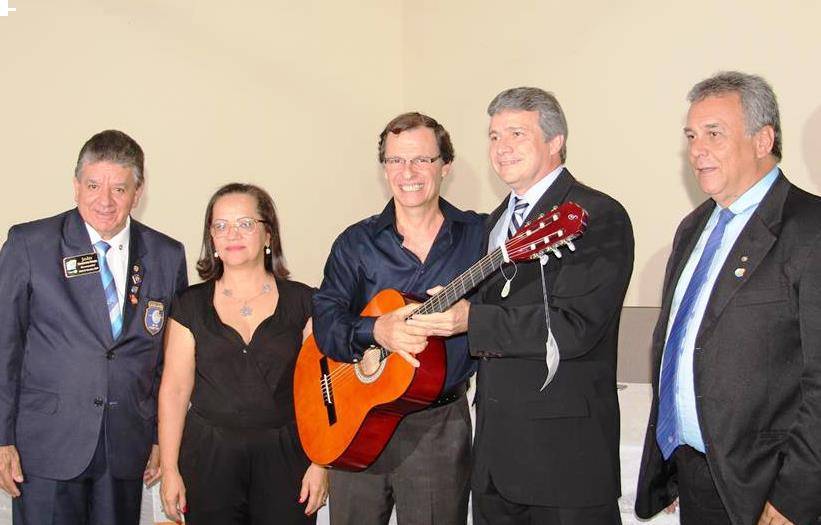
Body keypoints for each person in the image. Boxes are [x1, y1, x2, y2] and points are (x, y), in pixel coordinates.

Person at [410, 87, 634, 524]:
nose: (501, 147)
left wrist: (471, 319)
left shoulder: (595, 214)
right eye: (494, 136)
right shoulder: (495, 222)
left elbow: (575, 326)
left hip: (564, 463)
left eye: (517, 133)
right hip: (496, 461)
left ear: (555, 141)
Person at [635, 72, 821, 525]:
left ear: (763, 140)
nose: (697, 150)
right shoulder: (693, 227)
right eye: (691, 136)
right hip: (697, 475)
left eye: (714, 134)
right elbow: (682, 345)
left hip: (769, 488)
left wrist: (795, 496)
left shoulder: (809, 229)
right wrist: (673, 462)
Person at [0, 130, 188, 524]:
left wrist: (160, 437)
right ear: (76, 186)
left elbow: (169, 360)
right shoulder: (30, 244)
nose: (105, 200)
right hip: (47, 445)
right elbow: (5, 345)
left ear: (137, 193)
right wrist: (2, 438)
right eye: (93, 185)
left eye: (119, 188)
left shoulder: (167, 255)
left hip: (126, 445)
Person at [311, 112, 484, 524]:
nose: (408, 172)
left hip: (438, 425)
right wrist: (377, 329)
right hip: (357, 418)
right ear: (384, 168)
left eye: (422, 159)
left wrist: (472, 317)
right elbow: (326, 322)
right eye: (396, 160)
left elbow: (508, 310)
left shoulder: (480, 236)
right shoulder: (356, 243)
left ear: (445, 165)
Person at [158, 183, 327, 524]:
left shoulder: (305, 302)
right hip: (208, 458)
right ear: (211, 238)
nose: (232, 234)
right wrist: (170, 469)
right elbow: (174, 392)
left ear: (268, 234)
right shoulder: (189, 305)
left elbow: (323, 389)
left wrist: (321, 463)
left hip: (288, 457)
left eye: (245, 223)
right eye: (221, 225)